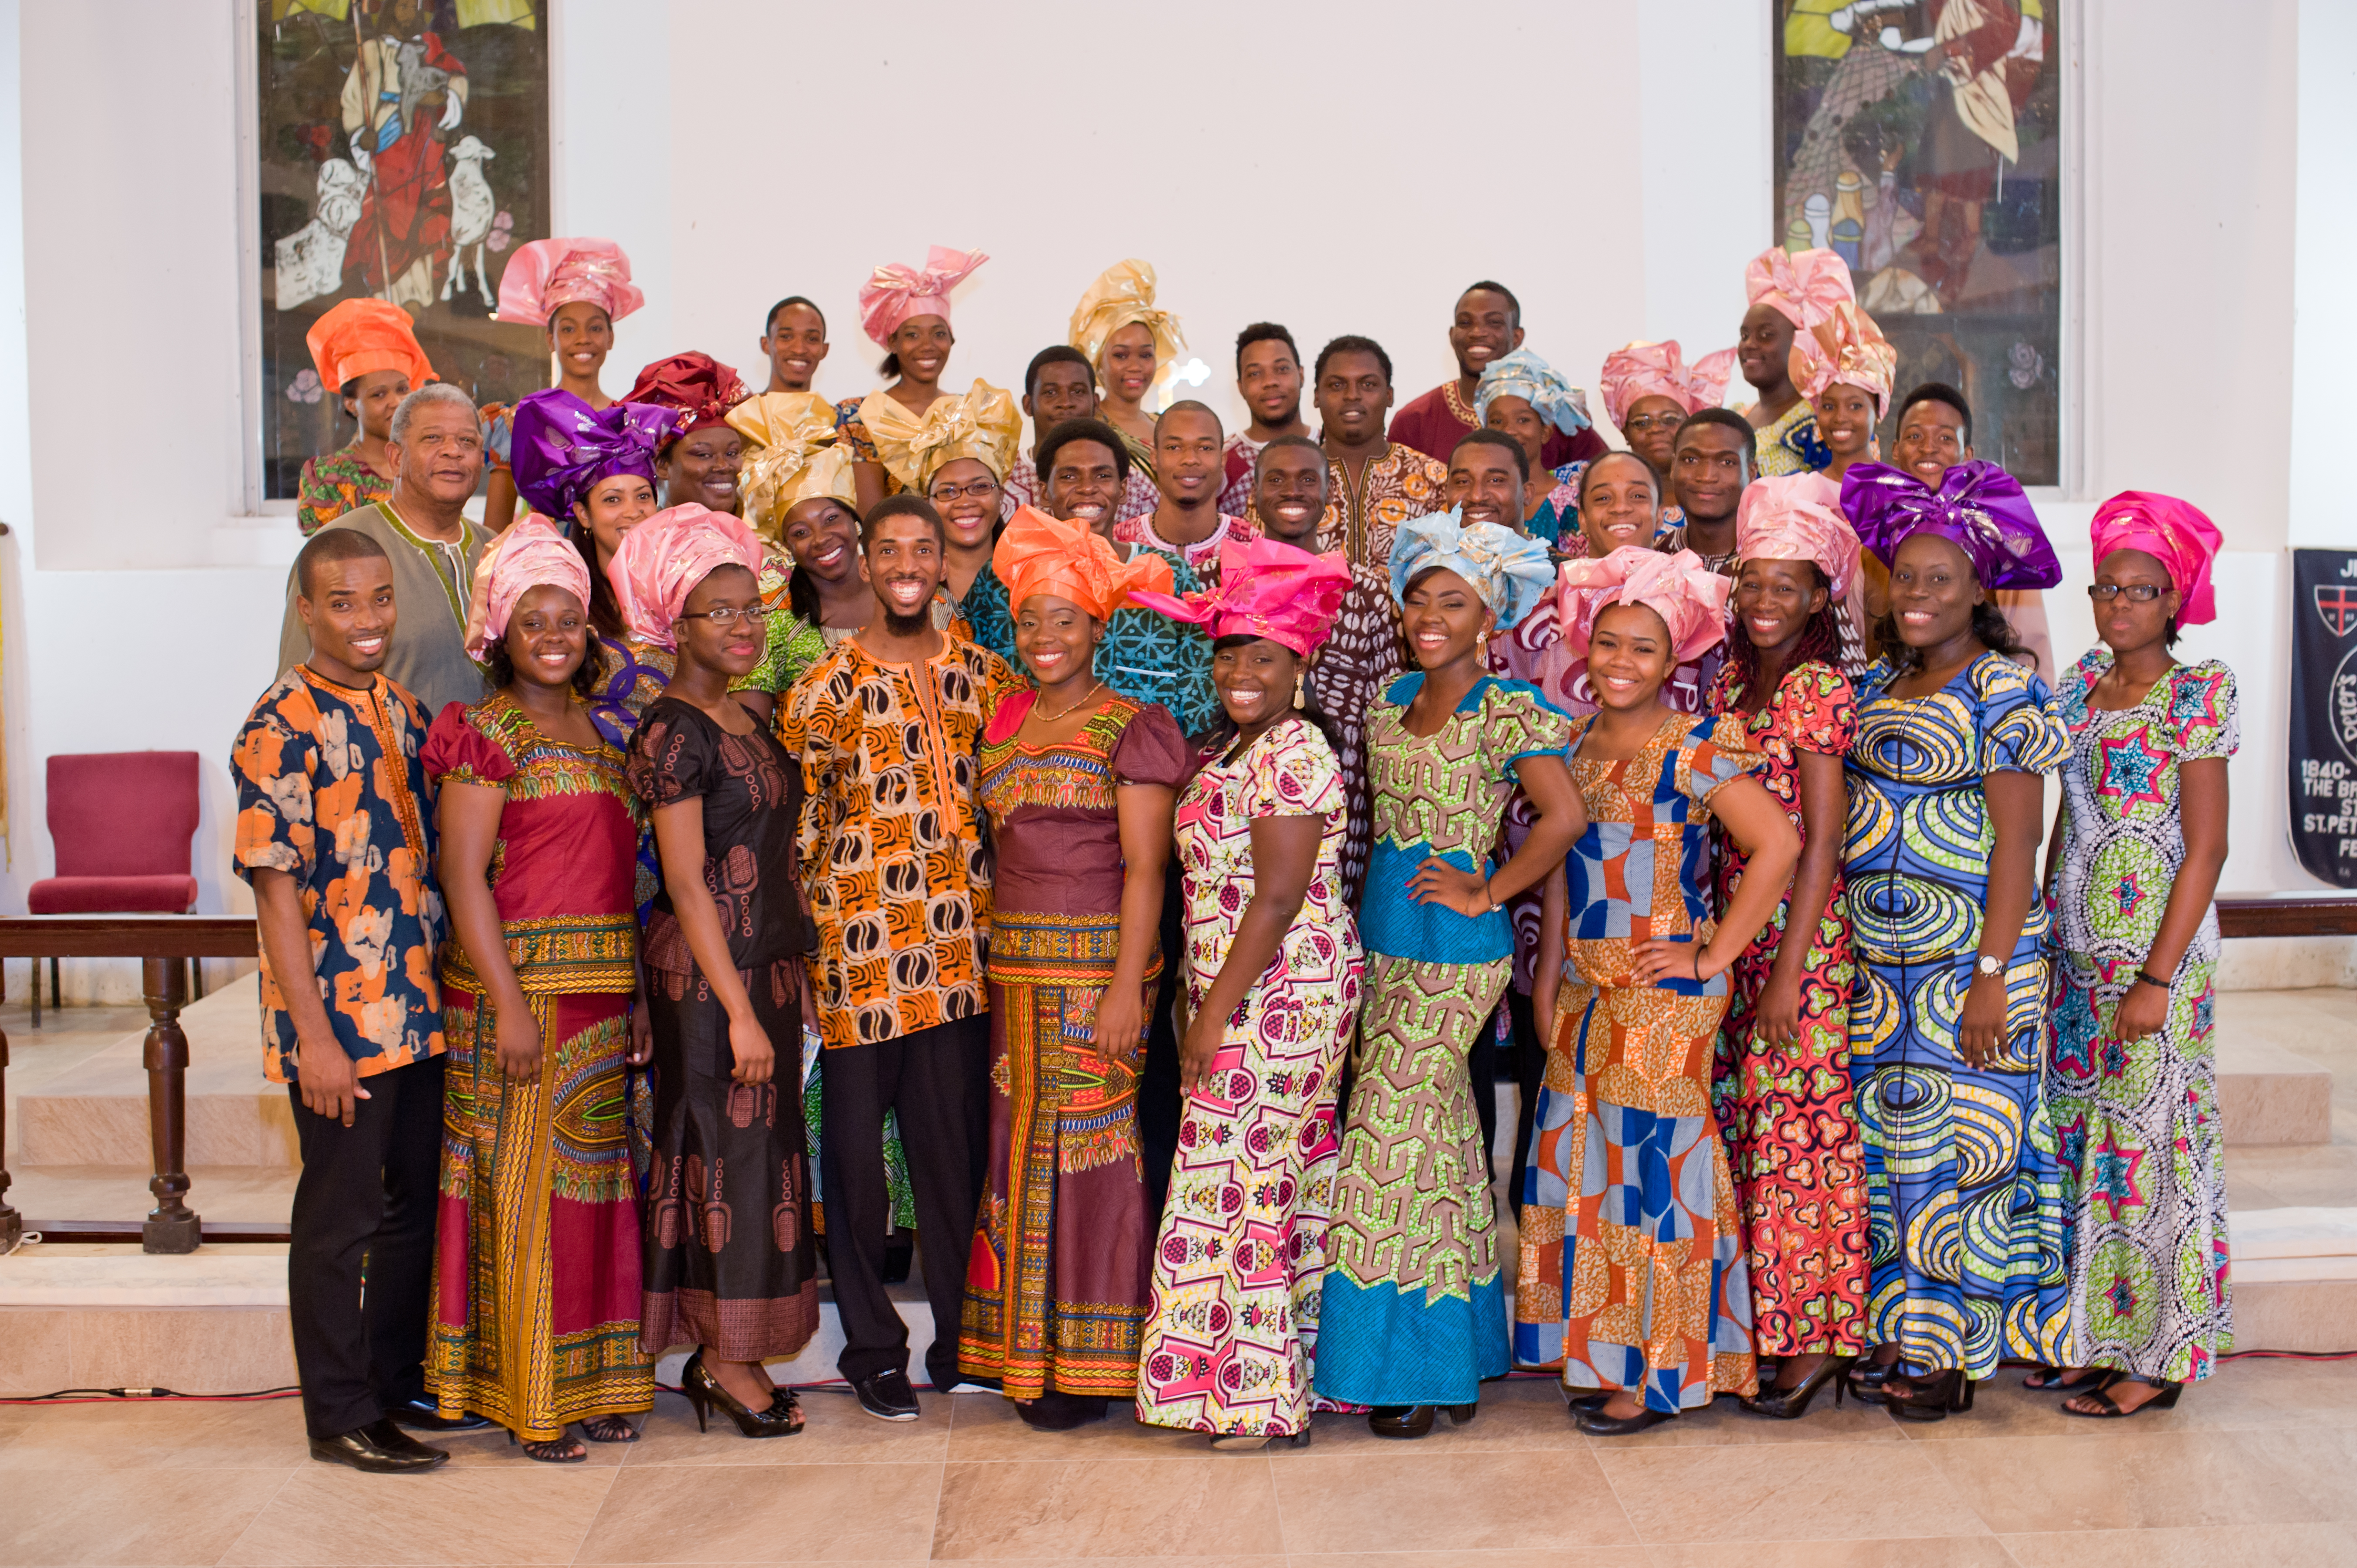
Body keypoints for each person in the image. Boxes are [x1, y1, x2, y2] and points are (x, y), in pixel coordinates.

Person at [1515, 546, 1798, 1436]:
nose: (1620, 664)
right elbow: (1562, 873)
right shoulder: (1568, 745)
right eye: (1606, 645)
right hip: (1583, 991)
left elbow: (1778, 846)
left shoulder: (1694, 744)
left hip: (1661, 991)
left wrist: (1710, 957)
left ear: (1672, 661)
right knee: (1590, 1178)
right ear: (1582, 651)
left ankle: (1661, 1373)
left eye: (1642, 648)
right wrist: (1549, 973)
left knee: (1654, 1181)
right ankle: (1604, 1352)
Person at [1317, 514, 1582, 1436]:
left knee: (1387, 1142)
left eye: (1453, 602)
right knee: (1442, 1146)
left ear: (1489, 618)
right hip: (1382, 943)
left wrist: (1488, 891)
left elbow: (1562, 818)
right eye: (1419, 598)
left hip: (1455, 957)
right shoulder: (1389, 697)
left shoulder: (1510, 710)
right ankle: (1460, 1351)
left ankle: (1400, 1372)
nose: (1430, 615)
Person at [1841, 457, 2073, 1420]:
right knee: (1895, 1157)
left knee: (1966, 1161)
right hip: (1879, 974)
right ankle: (1904, 1331)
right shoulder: (1872, 687)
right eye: (1906, 578)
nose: (1919, 595)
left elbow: (2016, 849)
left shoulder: (2003, 693)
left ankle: (1954, 1355)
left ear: (1982, 589)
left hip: (1971, 969)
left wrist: (1988, 977)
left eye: (1942, 579)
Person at [782, 496, 1019, 1421]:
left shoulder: (986, 680)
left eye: (925, 549)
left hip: (960, 951)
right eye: (891, 551)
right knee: (854, 1163)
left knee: (948, 1155)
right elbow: (801, 832)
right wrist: (806, 959)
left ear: (946, 564)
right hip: (857, 953)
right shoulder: (825, 687)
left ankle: (965, 1339)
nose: (909, 565)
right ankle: (872, 1350)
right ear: (868, 566)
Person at [421, 520, 654, 1461]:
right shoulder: (485, 735)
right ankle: (530, 1398)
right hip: (516, 1002)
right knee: (520, 1198)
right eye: (533, 621)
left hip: (601, 995)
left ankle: (595, 1380)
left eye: (568, 618)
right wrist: (509, 1002)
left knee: (593, 1198)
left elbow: (619, 877)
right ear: (498, 637)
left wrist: (634, 995)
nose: (554, 635)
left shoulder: (605, 733)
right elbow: (463, 877)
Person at [234, 526, 461, 1473]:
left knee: (411, 1207)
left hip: (416, 1008)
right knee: (340, 1218)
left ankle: (390, 1384)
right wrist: (318, 1043)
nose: (366, 620)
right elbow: (277, 896)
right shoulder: (276, 726)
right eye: (343, 603)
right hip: (340, 1022)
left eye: (379, 599)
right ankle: (337, 1416)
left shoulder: (401, 708)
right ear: (305, 611)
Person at [1129, 539, 1363, 1451]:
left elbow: (1274, 896)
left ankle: (1256, 1398)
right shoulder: (1237, 747)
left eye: (1262, 655)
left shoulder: (1294, 750)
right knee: (1264, 1175)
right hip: (1245, 984)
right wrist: (1204, 998)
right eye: (1227, 653)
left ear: (1297, 666)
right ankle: (1276, 1373)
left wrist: (1212, 1012)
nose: (1240, 671)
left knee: (1239, 1178)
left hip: (1284, 989)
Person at [956, 507, 1186, 1429]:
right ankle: (1029, 1357)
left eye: (1064, 619)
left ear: (1100, 627)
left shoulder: (1132, 727)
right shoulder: (1003, 720)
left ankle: (1096, 1362)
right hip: (1015, 980)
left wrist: (1130, 985)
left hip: (1099, 975)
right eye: (1028, 621)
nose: (1043, 638)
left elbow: (1145, 868)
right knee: (1019, 1159)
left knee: (1095, 1157)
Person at [614, 504, 822, 1438]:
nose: (743, 627)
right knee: (725, 1167)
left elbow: (776, 856)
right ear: (672, 625)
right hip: (708, 983)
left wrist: (792, 973)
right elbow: (690, 888)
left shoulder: (746, 712)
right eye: (719, 613)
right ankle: (722, 1359)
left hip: (764, 971)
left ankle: (725, 1352)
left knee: (763, 1163)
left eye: (752, 610)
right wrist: (737, 1012)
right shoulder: (673, 733)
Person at [2040, 493, 2235, 1418]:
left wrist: (2156, 977)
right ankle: (2095, 1337)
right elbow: (2064, 823)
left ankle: (2155, 1362)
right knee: (2088, 1152)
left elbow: (2204, 848)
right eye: (2105, 586)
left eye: (2139, 589)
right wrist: (2047, 927)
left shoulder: (2197, 694)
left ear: (2174, 599)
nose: (2116, 604)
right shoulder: (2076, 684)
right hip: (2076, 962)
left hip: (2156, 968)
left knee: (2150, 1153)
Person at [1708, 479, 1870, 1419]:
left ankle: (1812, 1342)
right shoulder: (1735, 680)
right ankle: (1763, 1330)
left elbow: (1818, 843)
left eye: (1786, 586)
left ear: (1819, 597)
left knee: (1800, 1141)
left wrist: (1783, 975)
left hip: (1798, 942)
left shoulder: (1813, 688)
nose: (1763, 601)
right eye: (1751, 583)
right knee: (1751, 1134)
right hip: (1739, 927)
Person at [277, 383, 489, 719]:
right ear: (396, 457)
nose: (454, 451)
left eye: (468, 441)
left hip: (495, 767)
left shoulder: (499, 552)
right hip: (381, 768)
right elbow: (295, 697)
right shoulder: (341, 548)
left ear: (481, 457)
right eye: (433, 438)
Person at [1002, 418, 1218, 739]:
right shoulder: (1018, 574)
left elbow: (1199, 686)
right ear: (1044, 491)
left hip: (1153, 769)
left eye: (1103, 476)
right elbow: (1009, 685)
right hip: (1053, 767)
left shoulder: (1166, 572)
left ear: (1123, 488)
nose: (1087, 488)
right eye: (1069, 476)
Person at [508, 389, 679, 753]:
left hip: (682, 775)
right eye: (612, 499)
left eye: (643, 496)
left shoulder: (682, 590)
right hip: (591, 776)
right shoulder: (566, 600)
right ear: (584, 514)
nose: (632, 511)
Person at [1886, 382, 2055, 677]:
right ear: (1896, 451)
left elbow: (2029, 642)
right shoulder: (1879, 532)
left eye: (1945, 437)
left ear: (1967, 455)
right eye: (1915, 436)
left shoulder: (1997, 534)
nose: (1928, 447)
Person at [484, 238, 647, 532]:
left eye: (595, 328)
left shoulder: (628, 423)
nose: (583, 339)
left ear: (610, 339)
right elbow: (494, 532)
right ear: (551, 340)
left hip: (610, 573)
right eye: (568, 329)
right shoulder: (521, 420)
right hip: (538, 570)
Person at [863, 379, 1023, 640]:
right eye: (948, 491)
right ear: (927, 503)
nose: (965, 502)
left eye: (980, 487)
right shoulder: (903, 581)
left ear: (1001, 493)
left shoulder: (1031, 570)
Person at [1390, 282, 1605, 470]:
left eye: (1494, 323)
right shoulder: (1414, 421)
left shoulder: (1554, 411)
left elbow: (1605, 479)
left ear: (1517, 337)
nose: (1477, 332)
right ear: (1452, 335)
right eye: (1465, 323)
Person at [841, 246, 990, 513]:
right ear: (892, 343)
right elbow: (871, 515)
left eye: (938, 334)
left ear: (951, 341)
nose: (927, 345)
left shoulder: (970, 414)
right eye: (912, 335)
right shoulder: (859, 417)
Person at [296, 298, 432, 536]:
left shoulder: (427, 466)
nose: (397, 402)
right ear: (352, 404)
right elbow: (330, 562)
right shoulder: (331, 479)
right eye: (379, 395)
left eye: (402, 390)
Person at [1314, 335, 1448, 567]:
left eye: (1368, 385)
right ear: (1317, 397)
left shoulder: (1433, 477)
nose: (1352, 395)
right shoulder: (1288, 479)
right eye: (1337, 385)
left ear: (1389, 396)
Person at [1004, 346, 1159, 521]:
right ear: (1028, 405)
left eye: (1077, 391)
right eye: (1050, 393)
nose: (1065, 403)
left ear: (1095, 403)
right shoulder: (1003, 478)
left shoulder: (1136, 486)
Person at [1738, 247, 1853, 477]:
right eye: (1745, 336)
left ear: (1802, 342)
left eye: (1766, 335)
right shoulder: (1737, 415)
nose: (1749, 344)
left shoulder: (1822, 424)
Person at [1067, 258, 1185, 480]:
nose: (1135, 366)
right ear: (1098, 361)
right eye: (1121, 355)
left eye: (1146, 355)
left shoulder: (1166, 426)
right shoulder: (1086, 427)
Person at [1113, 400, 1260, 574]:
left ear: (1223, 460)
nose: (1190, 459)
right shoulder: (1118, 544)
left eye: (1205, 448)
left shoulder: (1253, 545)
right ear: (1154, 458)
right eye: (1174, 447)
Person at [1474, 348, 1593, 545]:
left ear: (1545, 433)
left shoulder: (1570, 505)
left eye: (1523, 420)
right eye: (1496, 421)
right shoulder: (1476, 502)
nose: (1509, 430)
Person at [1596, 339, 1737, 487]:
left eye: (1670, 420)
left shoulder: (1718, 489)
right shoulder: (1603, 486)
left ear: (1690, 426)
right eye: (1642, 423)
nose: (1656, 429)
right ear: (1626, 433)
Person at [623, 352, 749, 515]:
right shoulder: (643, 539)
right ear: (662, 466)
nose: (724, 466)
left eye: (732, 453)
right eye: (704, 455)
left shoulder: (749, 537)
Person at [1219, 323, 1312, 516]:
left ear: (1301, 375)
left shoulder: (1330, 449)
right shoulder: (1221, 462)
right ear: (1240, 387)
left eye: (1282, 369)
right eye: (1255, 374)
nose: (1270, 382)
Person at [1659, 409, 1758, 573]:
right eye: (1691, 460)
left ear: (1752, 473)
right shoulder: (1653, 556)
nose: (1706, 476)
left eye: (1727, 462)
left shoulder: (1774, 559)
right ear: (1673, 467)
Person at [759, 295, 830, 394]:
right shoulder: (740, 409)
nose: (799, 350)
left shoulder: (835, 410)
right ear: (765, 345)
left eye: (812, 339)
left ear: (824, 350)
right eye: (786, 337)